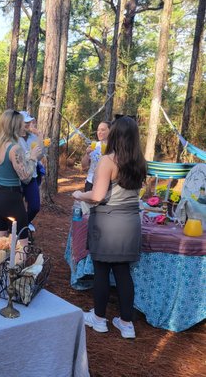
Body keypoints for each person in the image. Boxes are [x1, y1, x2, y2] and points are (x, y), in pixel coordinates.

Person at [73, 116, 147, 339]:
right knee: (123, 272)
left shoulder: (108, 160)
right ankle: (126, 323)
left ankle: (99, 319)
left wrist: (79, 194)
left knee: (102, 272)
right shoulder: (140, 162)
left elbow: (97, 196)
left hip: (107, 223)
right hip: (130, 223)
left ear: (115, 135)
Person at [0, 110, 41, 252]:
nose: (23, 127)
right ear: (14, 126)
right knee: (21, 247)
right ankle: (15, 274)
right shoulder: (14, 148)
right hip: (11, 199)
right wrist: (33, 158)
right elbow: (26, 177)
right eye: (20, 123)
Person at [18, 111, 44, 230]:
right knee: (16, 207)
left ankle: (24, 224)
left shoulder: (33, 137)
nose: (28, 124)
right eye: (26, 122)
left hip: (32, 175)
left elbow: (40, 155)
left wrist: (40, 136)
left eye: (29, 122)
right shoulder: (13, 137)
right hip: (17, 177)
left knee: (35, 207)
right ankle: (14, 229)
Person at [81, 121, 111, 191]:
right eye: (98, 130)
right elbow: (84, 167)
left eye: (102, 130)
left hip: (107, 184)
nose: (99, 132)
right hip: (91, 182)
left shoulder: (115, 148)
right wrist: (87, 154)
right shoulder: (94, 146)